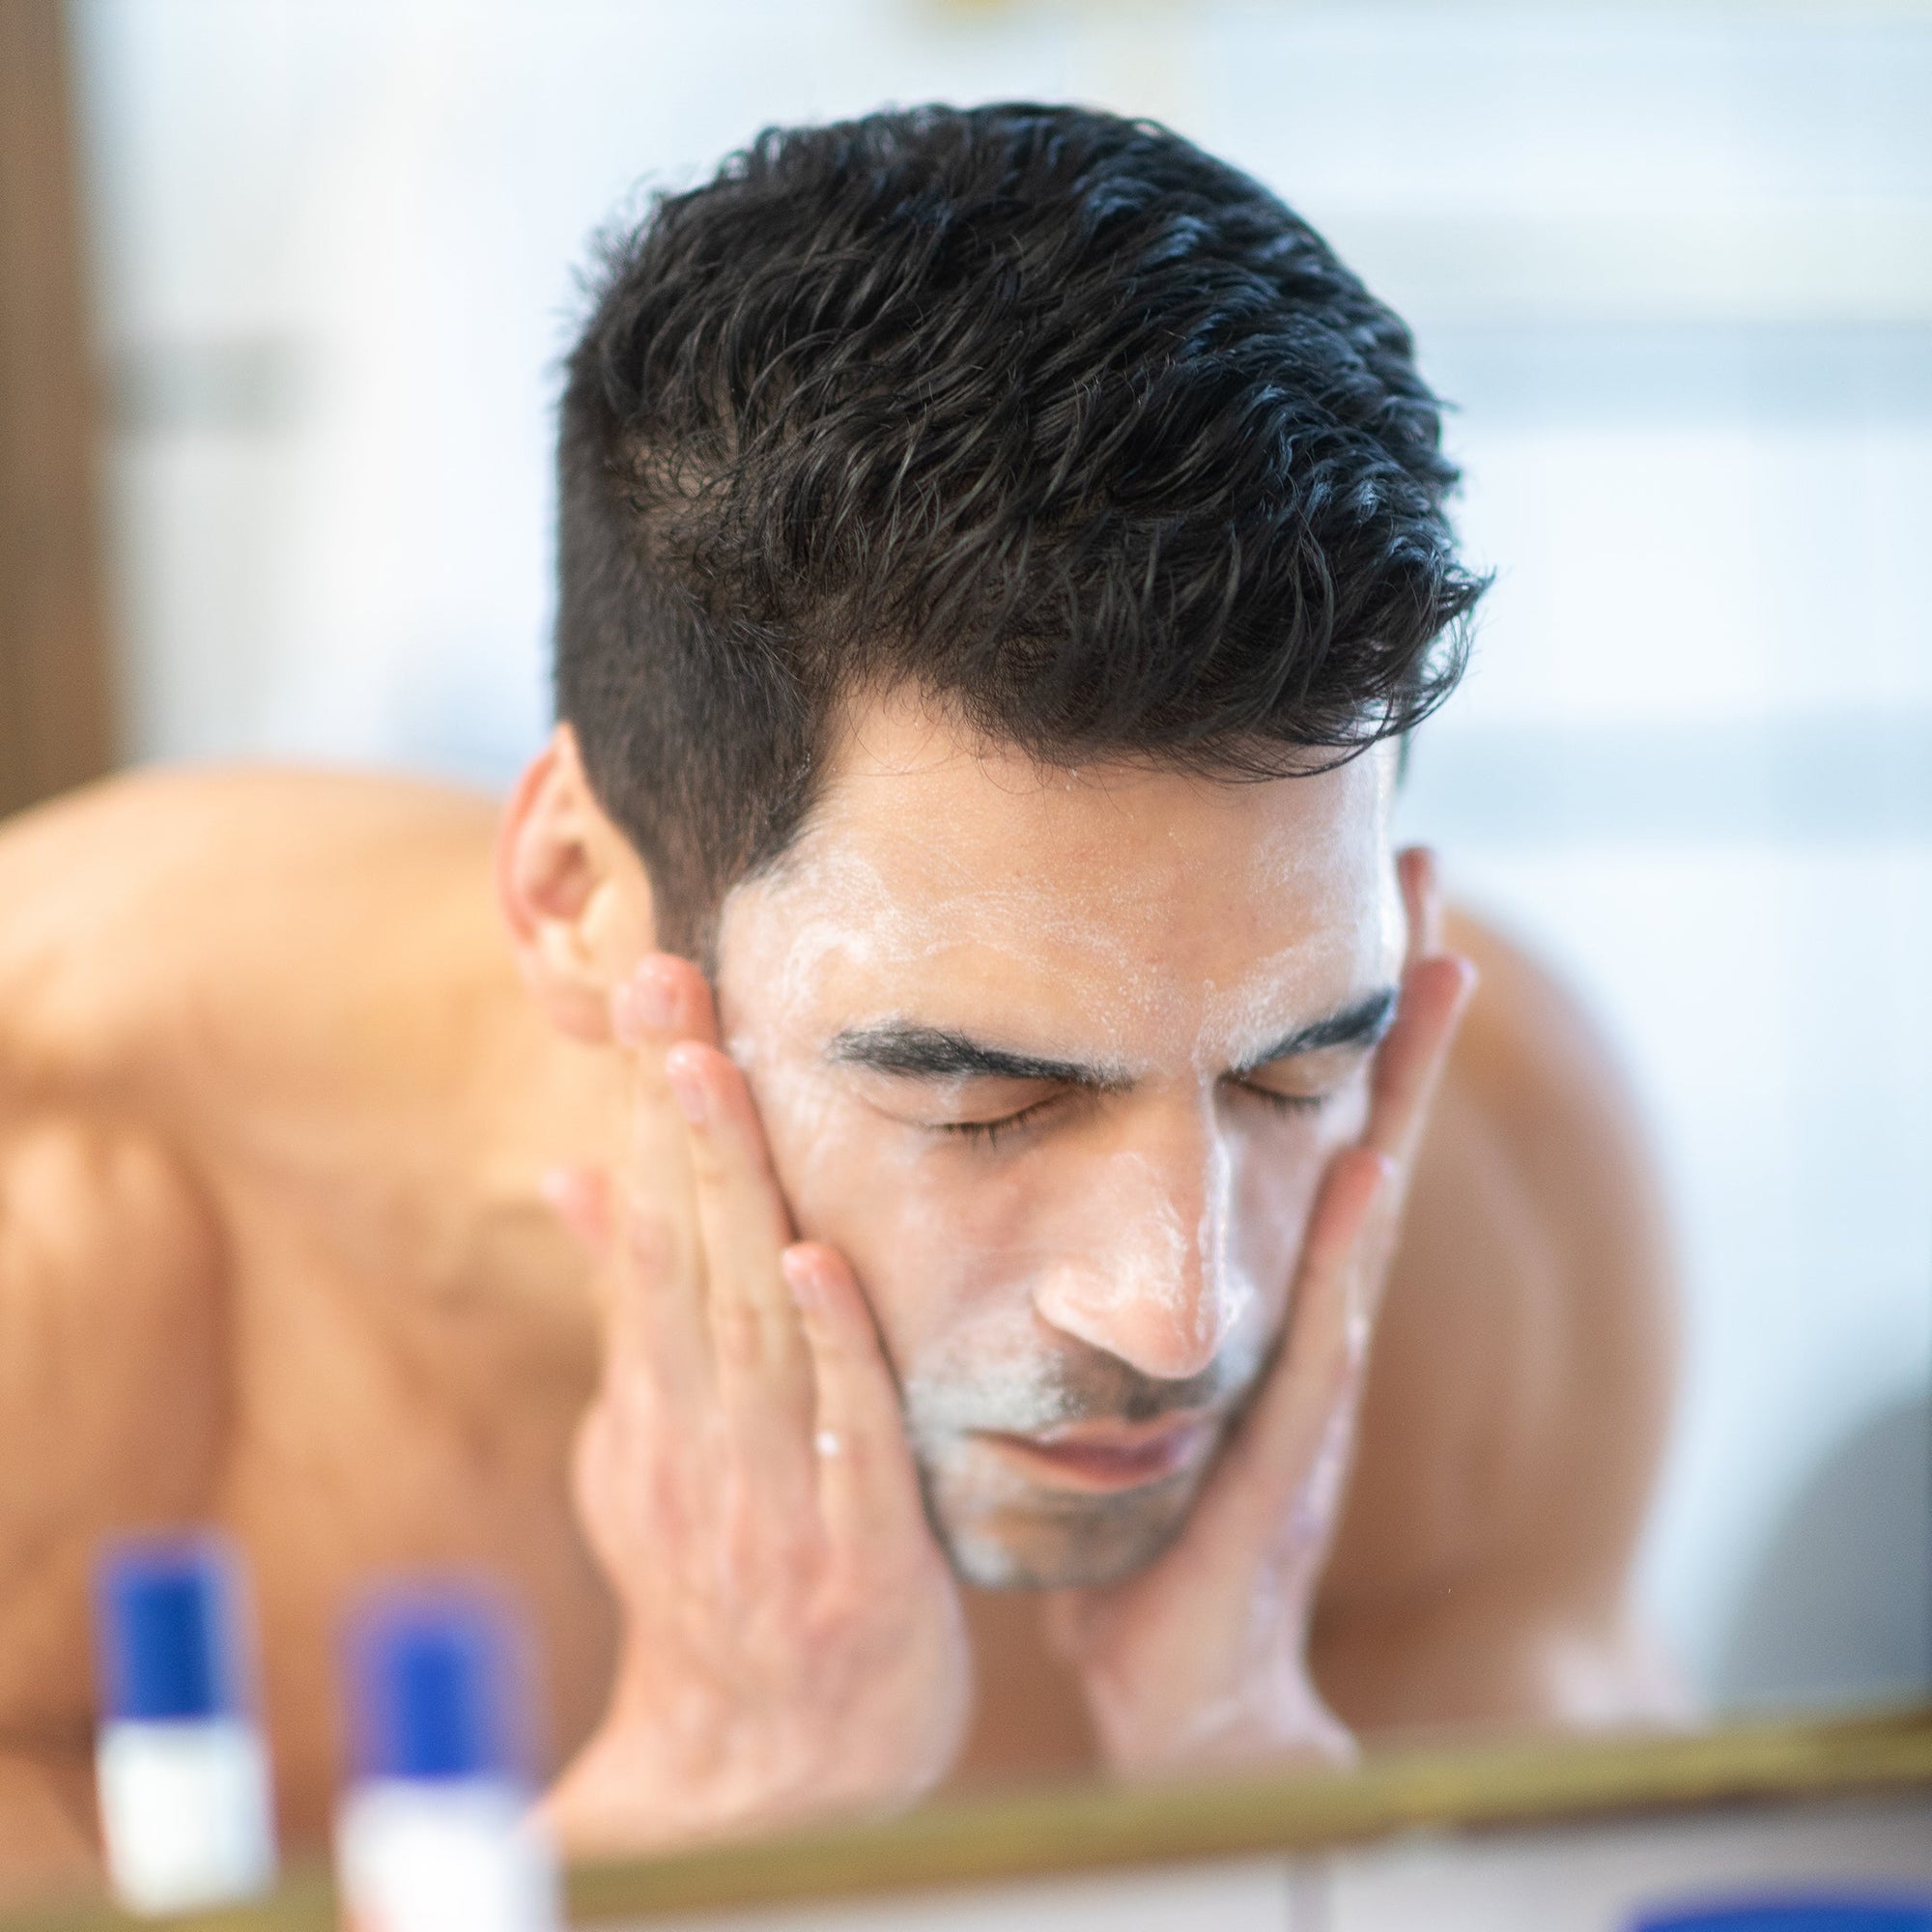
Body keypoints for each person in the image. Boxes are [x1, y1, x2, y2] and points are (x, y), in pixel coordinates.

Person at [0, 103, 1680, 1886]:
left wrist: (1257, 1812)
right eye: (986, 1101)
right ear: (576, 898)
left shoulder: (1491, 1193)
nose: (1180, 1318)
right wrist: (669, 1827)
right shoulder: (69, 1214)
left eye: (1287, 1070)